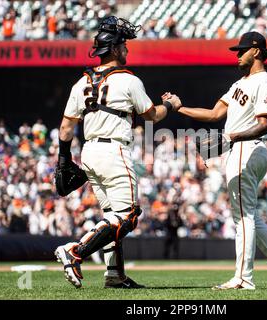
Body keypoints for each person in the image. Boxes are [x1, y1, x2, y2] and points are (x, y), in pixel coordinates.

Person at [164, 32, 267, 290]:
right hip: (241, 148)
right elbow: (214, 113)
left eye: (242, 50)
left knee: (243, 217)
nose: (238, 54)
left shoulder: (264, 82)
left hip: (247, 148)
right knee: (250, 215)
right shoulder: (240, 83)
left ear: (257, 51)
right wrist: (178, 107)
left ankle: (243, 278)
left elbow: (264, 124)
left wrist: (231, 136)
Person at [54, 16, 179, 289]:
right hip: (114, 150)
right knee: (129, 215)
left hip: (88, 153)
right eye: (123, 45)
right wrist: (170, 104)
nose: (126, 49)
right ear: (113, 49)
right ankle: (75, 251)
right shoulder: (128, 80)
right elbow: (152, 116)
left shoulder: (81, 83)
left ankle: (114, 275)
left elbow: (65, 127)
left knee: (112, 215)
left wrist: (64, 159)